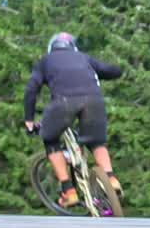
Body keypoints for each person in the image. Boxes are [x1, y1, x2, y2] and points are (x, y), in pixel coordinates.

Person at [23, 31, 123, 207]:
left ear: (51, 47)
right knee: (96, 142)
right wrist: (118, 69)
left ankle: (68, 191)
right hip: (94, 101)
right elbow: (111, 71)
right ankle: (111, 178)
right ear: (73, 47)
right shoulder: (84, 58)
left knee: (50, 140)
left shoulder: (45, 61)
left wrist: (29, 120)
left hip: (63, 103)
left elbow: (31, 89)